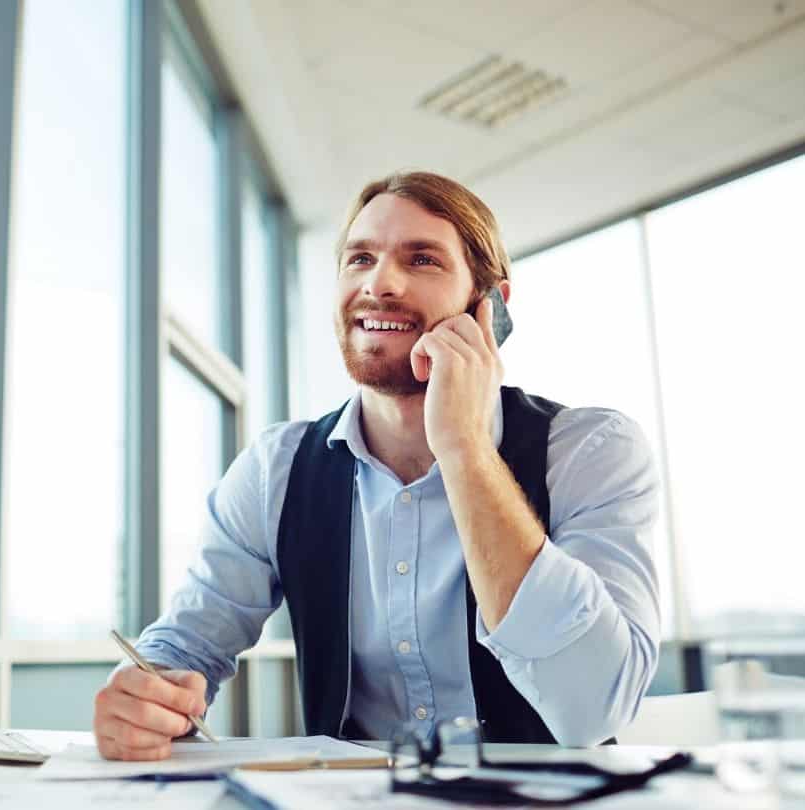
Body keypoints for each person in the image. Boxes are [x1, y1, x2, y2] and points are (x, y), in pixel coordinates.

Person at [93, 171, 660, 761]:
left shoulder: (590, 451)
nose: (379, 283)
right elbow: (184, 648)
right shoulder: (276, 470)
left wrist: (464, 449)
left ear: (489, 304)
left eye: (421, 260)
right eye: (359, 258)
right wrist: (146, 695)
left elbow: (594, 708)